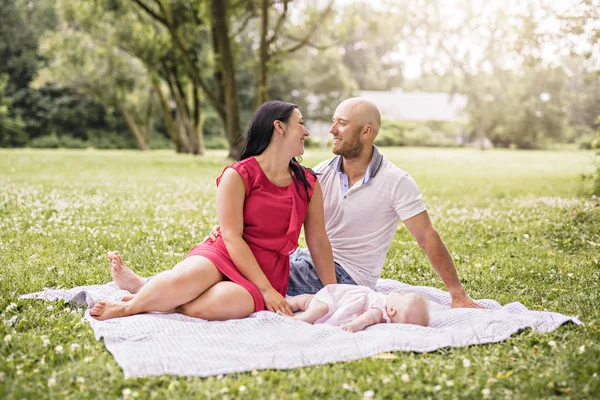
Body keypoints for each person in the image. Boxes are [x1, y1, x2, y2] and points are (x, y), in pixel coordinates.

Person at [111, 97, 481, 309]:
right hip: (302, 261)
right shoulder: (320, 172)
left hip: (345, 274)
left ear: (366, 132)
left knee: (240, 275)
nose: (330, 130)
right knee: (237, 257)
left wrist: (457, 294)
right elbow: (274, 209)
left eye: (341, 124)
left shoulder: (395, 181)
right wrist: (230, 228)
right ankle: (152, 288)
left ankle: (150, 290)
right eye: (330, 122)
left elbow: (426, 237)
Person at [90, 101, 337, 321]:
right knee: (183, 280)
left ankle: (160, 299)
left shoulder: (307, 183)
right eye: (301, 124)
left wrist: (333, 292)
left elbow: (317, 241)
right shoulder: (238, 175)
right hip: (224, 253)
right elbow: (231, 237)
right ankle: (129, 308)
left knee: (222, 303)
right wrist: (266, 291)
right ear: (279, 127)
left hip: (267, 269)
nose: (306, 131)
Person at [285, 284, 430, 332]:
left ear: (392, 311)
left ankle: (299, 319)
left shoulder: (380, 310)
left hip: (338, 301)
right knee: (312, 301)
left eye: (403, 295)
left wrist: (353, 326)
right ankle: (288, 303)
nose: (401, 292)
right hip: (342, 296)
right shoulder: (384, 300)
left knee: (317, 307)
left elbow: (367, 318)